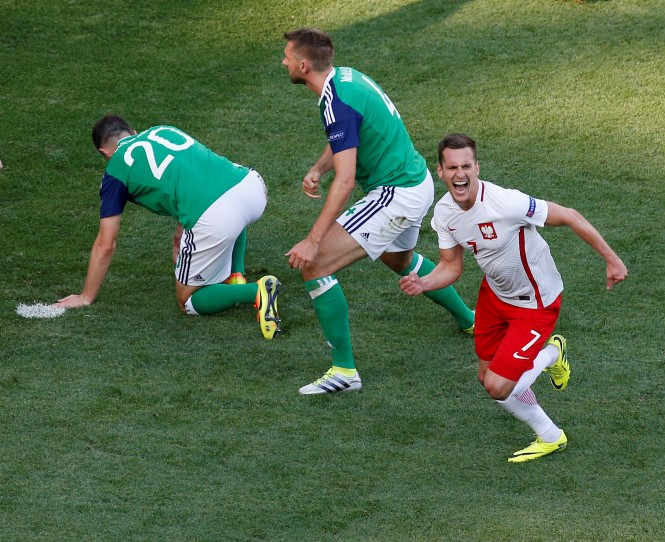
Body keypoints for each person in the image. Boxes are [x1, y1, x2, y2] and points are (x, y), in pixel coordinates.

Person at [400, 134, 628, 462]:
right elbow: (451, 267)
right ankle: (550, 435)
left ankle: (552, 353)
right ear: (440, 171)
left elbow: (570, 216)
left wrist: (612, 259)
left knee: (498, 386)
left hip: (535, 303)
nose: (460, 174)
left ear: (477, 167)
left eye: (466, 166)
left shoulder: (507, 203)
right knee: (486, 376)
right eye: (452, 167)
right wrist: (424, 283)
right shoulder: (444, 213)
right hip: (494, 295)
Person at [281, 28, 475, 395]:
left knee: (314, 264)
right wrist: (319, 168)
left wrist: (312, 240)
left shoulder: (334, 101)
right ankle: (471, 321)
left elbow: (346, 181)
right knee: (398, 261)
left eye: (288, 57)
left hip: (395, 193)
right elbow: (348, 137)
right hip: (414, 181)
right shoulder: (346, 78)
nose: (284, 62)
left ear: (304, 65)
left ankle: (344, 371)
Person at [56, 114, 281, 339]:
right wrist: (181, 232)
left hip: (218, 216)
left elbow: (106, 244)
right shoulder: (164, 130)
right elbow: (194, 176)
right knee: (226, 201)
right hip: (251, 186)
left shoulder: (115, 170)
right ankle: (235, 274)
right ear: (133, 131)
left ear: (103, 153)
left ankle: (256, 290)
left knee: (187, 301)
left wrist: (86, 296)